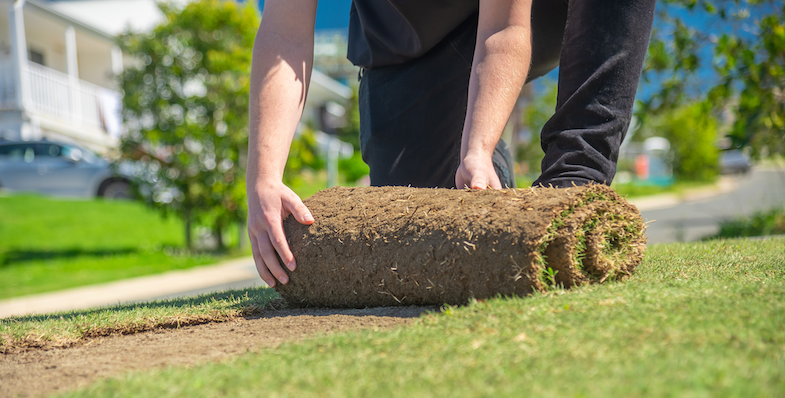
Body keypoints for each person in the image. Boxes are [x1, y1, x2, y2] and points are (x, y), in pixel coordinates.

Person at [246, 0, 656, 288]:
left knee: (484, 171)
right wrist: (264, 177)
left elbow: (503, 27)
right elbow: (285, 33)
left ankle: (575, 174)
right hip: (408, 50)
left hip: (532, 14)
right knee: (427, 249)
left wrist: (476, 148)